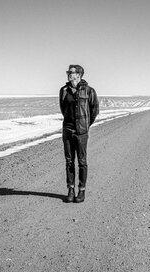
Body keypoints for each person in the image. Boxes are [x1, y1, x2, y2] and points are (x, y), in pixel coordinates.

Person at [59, 64, 99, 203]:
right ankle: (70, 190)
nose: (69, 74)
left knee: (82, 162)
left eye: (72, 72)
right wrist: (70, 123)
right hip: (68, 130)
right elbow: (63, 109)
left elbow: (94, 110)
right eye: (68, 72)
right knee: (69, 161)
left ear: (79, 75)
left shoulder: (89, 91)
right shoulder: (63, 90)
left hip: (82, 132)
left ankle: (81, 191)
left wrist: (85, 125)